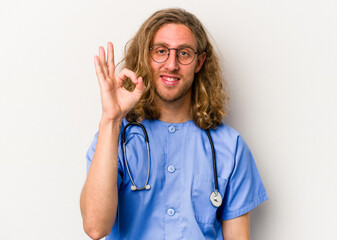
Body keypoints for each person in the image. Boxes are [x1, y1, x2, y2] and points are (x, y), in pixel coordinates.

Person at [80, 8, 267, 240]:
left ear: (199, 62)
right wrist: (111, 119)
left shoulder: (231, 147)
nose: (171, 64)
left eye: (184, 54)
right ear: (146, 57)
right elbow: (95, 228)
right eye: (161, 51)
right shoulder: (114, 138)